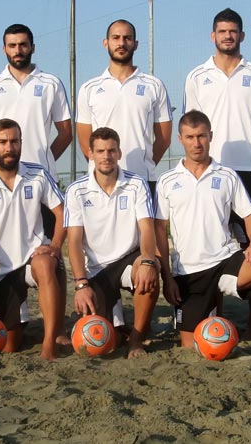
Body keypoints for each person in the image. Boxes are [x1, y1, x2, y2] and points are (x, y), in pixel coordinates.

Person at [155, 110, 251, 355]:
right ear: (180, 139)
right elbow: (159, 230)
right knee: (191, 346)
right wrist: (168, 278)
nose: (196, 143)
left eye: (201, 136)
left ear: (210, 136)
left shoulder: (227, 176)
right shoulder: (167, 181)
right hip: (188, 272)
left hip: (224, 261)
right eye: (190, 137)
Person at [184, 8, 251, 336]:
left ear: (242, 35)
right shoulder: (197, 76)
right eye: (222, 31)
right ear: (213, 36)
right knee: (215, 245)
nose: (227, 36)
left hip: (250, 170)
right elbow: (194, 123)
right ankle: (216, 317)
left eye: (233, 31)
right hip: (212, 172)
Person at [0, 118, 67, 360]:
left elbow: (63, 213)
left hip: (32, 261)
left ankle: (49, 344)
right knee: (8, 345)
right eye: (2, 142)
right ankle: (19, 316)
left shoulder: (37, 174)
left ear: (21, 143)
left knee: (46, 262)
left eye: (14, 141)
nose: (9, 147)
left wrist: (54, 246)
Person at [65, 127, 159, 358]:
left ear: (119, 153)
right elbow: (74, 242)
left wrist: (148, 260)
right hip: (96, 270)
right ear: (90, 154)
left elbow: (147, 229)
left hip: (128, 260)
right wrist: (81, 284)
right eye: (100, 151)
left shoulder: (136, 184)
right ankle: (120, 328)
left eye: (111, 150)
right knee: (101, 342)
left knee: (148, 270)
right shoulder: (76, 191)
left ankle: (136, 339)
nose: (106, 156)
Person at [0, 24, 72, 238]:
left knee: (46, 248)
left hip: (40, 181)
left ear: (32, 47)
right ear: (4, 49)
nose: (17, 50)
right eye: (12, 45)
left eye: (23, 45)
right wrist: (0, 159)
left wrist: (43, 158)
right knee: (0, 244)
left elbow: (65, 133)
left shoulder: (51, 83)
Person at [76, 20, 172, 195]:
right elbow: (84, 142)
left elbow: (164, 139)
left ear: (136, 44)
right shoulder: (89, 88)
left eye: (127, 38)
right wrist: (104, 166)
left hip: (142, 180)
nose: (121, 43)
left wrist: (145, 164)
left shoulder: (154, 85)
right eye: (116, 38)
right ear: (106, 43)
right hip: (101, 182)